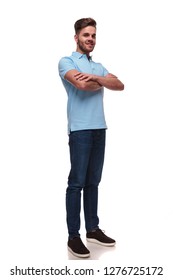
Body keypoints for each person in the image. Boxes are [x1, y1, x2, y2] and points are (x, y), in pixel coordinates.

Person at [58, 17, 124, 258]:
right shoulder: (66, 61)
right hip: (80, 130)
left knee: (93, 183)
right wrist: (101, 82)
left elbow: (119, 84)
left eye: (94, 35)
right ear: (76, 37)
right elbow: (81, 86)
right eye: (86, 35)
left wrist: (97, 78)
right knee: (76, 183)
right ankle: (73, 236)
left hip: (100, 128)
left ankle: (93, 229)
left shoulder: (98, 67)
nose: (91, 39)